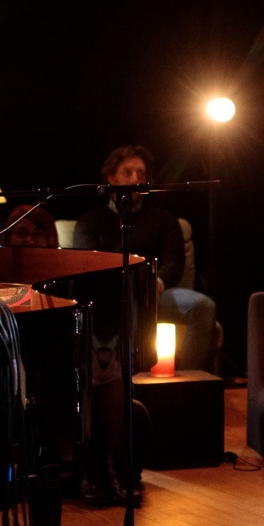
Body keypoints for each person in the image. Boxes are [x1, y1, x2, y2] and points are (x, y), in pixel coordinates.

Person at [72, 145, 218, 373]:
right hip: (107, 296)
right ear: (111, 178)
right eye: (127, 173)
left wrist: (154, 284)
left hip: (155, 293)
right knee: (123, 297)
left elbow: (174, 264)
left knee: (202, 306)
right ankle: (121, 377)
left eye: (141, 173)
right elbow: (89, 262)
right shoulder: (90, 221)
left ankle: (189, 383)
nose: (136, 178)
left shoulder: (164, 219)